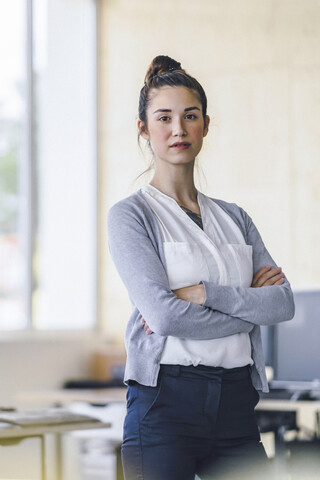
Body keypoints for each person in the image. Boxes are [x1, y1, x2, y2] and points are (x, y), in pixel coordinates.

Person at [107, 55, 295, 480]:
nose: (178, 129)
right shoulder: (131, 216)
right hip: (164, 408)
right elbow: (163, 315)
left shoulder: (235, 217)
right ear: (144, 129)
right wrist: (247, 309)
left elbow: (282, 305)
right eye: (164, 117)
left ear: (205, 125)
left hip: (236, 408)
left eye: (190, 116)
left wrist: (205, 293)